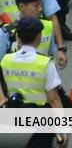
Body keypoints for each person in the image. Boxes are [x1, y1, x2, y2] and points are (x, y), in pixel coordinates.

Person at [0, 16, 64, 145]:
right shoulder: (45, 63)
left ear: (17, 37)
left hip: (11, 119)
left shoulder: (5, 60)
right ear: (39, 37)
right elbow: (53, 99)